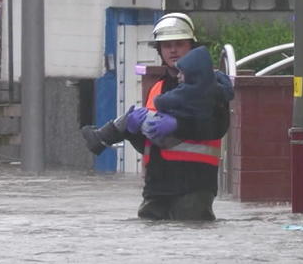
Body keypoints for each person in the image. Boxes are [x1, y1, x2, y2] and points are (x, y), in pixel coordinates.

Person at [80, 13, 232, 220]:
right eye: (167, 45)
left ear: (192, 47)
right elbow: (151, 145)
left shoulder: (209, 85)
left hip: (195, 187)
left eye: (179, 43)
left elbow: (216, 126)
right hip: (157, 190)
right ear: (159, 50)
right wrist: (134, 132)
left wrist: (177, 125)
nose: (173, 50)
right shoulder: (157, 89)